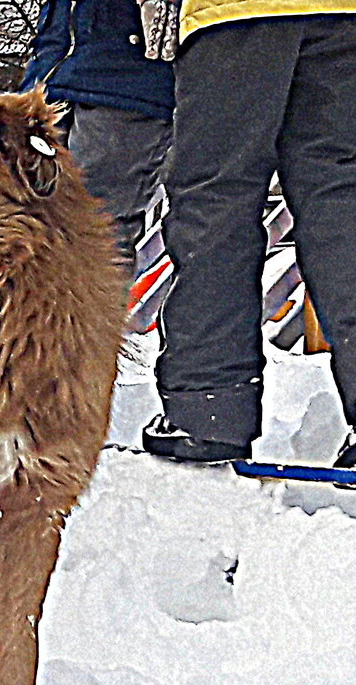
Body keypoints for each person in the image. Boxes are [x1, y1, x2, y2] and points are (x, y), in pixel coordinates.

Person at [140, 7, 356, 464]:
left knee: (217, 197)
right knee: (343, 198)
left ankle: (207, 410)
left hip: (234, 15)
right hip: (344, 16)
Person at [22, 0, 174, 262]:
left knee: (96, 233)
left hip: (124, 82)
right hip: (52, 79)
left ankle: (91, 302)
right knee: (25, 228)